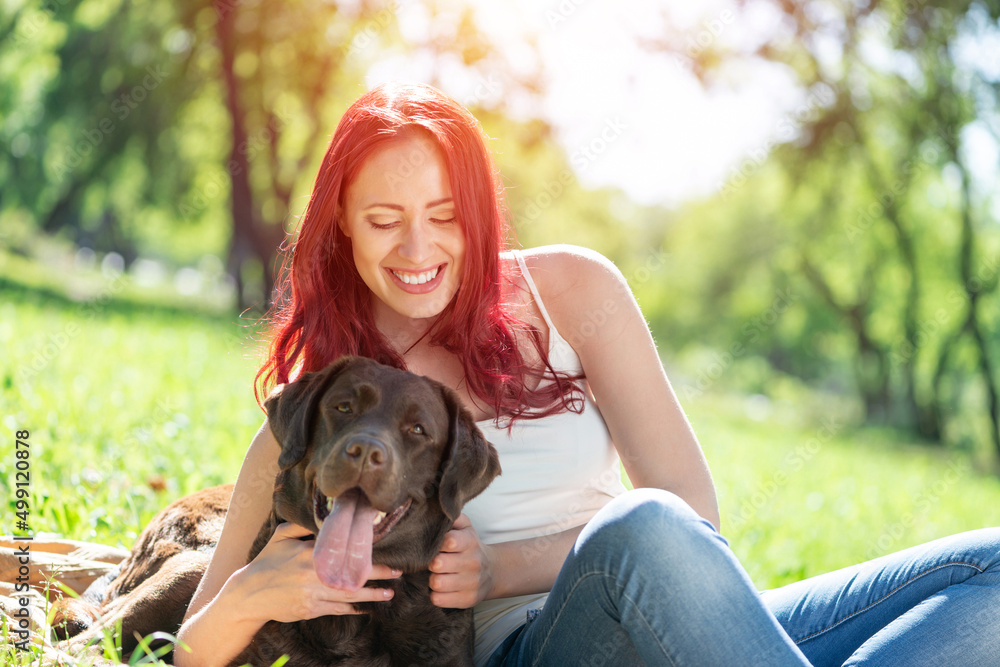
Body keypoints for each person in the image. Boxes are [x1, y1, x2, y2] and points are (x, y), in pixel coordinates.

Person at [175, 82, 1000, 667]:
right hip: (527, 649)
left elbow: (694, 511)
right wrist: (254, 592)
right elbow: (194, 642)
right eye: (384, 221)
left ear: (479, 211)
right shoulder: (337, 404)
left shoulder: (572, 289)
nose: (418, 250)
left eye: (443, 217)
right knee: (637, 529)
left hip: (685, 616)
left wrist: (505, 564)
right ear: (343, 230)